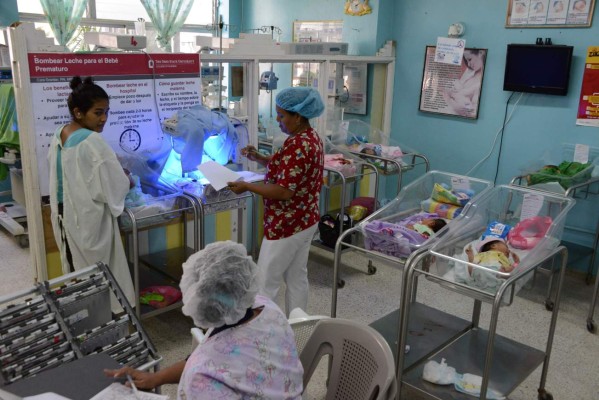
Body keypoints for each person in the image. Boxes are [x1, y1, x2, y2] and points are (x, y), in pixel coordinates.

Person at [104, 240, 304, 399]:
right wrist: (156, 378)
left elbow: (207, 367)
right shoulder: (269, 310)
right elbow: (212, 363)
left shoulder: (201, 377)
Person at [227, 87, 324, 316]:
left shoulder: (298, 145)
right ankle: (298, 327)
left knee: (264, 283)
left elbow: (283, 192)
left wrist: (247, 186)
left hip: (287, 224)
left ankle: (262, 332)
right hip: (306, 219)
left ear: (297, 116)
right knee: (297, 278)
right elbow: (287, 166)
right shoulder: (309, 138)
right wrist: (260, 157)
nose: (278, 120)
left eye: (281, 116)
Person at [47, 76, 135, 308]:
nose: (104, 118)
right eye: (98, 113)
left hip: (65, 215)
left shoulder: (60, 134)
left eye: (106, 112)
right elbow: (116, 185)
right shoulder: (92, 141)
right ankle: (104, 315)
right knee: (100, 272)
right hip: (88, 219)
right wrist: (128, 178)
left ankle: (84, 313)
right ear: (78, 112)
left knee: (76, 268)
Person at [442, 49, 485, 118]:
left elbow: (472, 112)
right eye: (467, 61)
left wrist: (450, 101)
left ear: (480, 53)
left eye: (470, 59)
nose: (469, 64)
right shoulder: (470, 73)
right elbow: (457, 89)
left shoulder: (480, 82)